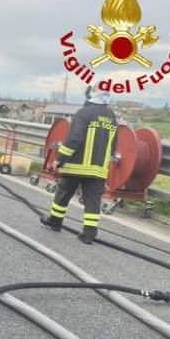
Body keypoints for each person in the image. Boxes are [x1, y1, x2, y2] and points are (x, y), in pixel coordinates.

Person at [40, 84, 118, 244]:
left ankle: (55, 222)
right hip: (98, 170)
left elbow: (73, 139)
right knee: (93, 201)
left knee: (63, 194)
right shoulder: (112, 117)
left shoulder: (83, 113)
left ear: (91, 96)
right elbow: (113, 144)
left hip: (76, 166)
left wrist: (59, 159)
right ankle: (89, 234)